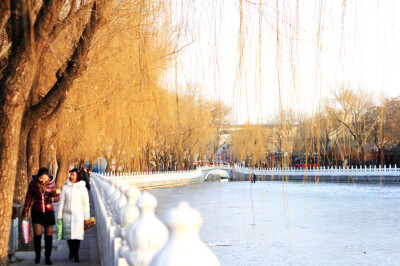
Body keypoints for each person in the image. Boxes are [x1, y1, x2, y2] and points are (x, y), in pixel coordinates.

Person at [22, 167, 60, 265]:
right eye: (41, 179)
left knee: (48, 236)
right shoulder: (32, 185)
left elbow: (57, 198)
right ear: (38, 177)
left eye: (45, 179)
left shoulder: (52, 184)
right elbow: (28, 199)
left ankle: (48, 257)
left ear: (48, 177)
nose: (43, 181)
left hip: (49, 212)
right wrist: (25, 212)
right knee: (37, 235)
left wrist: (53, 198)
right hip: (37, 212)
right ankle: (37, 256)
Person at [57, 168, 90, 263]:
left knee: (77, 236)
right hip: (67, 215)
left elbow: (85, 203)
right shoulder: (65, 188)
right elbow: (61, 202)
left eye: (73, 175)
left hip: (78, 215)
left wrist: (86, 217)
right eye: (71, 175)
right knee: (68, 236)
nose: (71, 176)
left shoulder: (83, 189)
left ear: (78, 176)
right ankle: (71, 250)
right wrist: (59, 216)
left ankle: (76, 254)